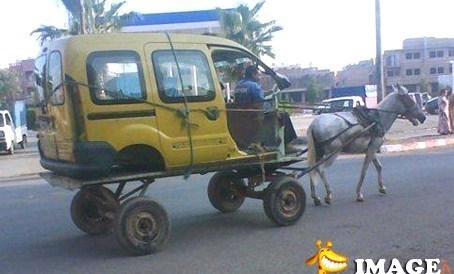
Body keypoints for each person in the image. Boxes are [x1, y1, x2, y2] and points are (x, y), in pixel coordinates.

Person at [234, 65, 298, 152]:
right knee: (284, 115)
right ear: (253, 74)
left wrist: (267, 93)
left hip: (243, 115)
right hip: (255, 116)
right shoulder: (255, 86)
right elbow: (261, 104)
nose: (260, 77)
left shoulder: (238, 85)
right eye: (259, 75)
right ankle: (287, 145)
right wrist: (273, 109)